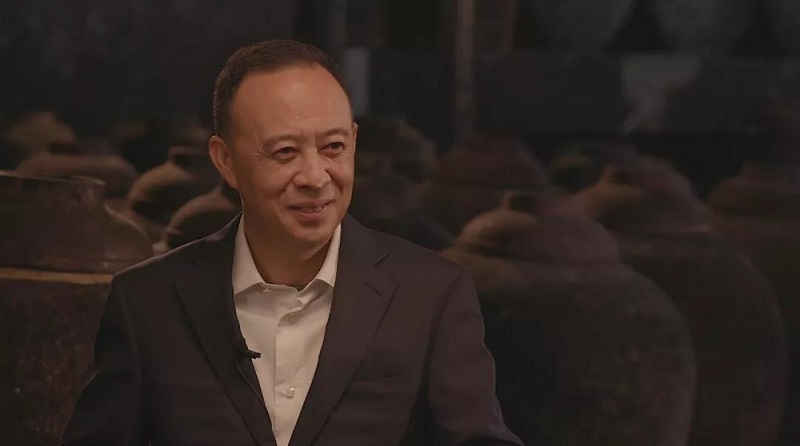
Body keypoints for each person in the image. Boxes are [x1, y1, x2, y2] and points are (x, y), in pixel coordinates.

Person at [61, 39, 522, 446]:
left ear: (354, 141)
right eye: (285, 152)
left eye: (333, 147)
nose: (316, 177)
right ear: (225, 161)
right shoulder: (148, 302)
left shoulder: (432, 295)